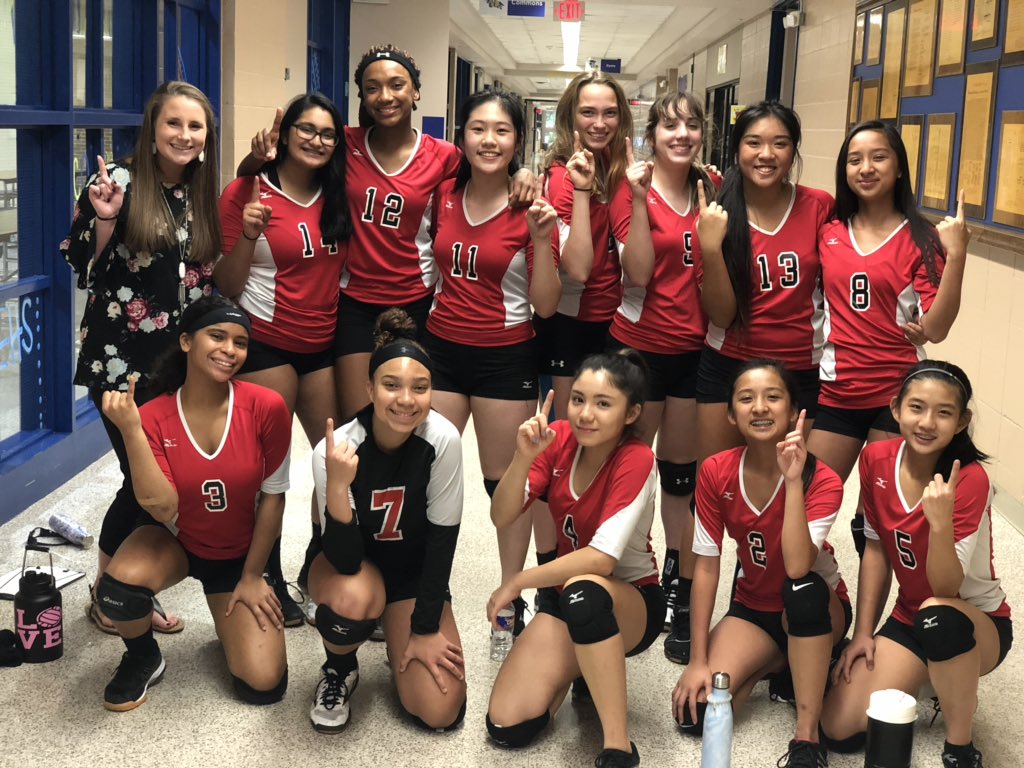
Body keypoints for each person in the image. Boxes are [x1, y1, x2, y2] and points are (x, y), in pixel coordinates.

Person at [240, 44, 534, 421]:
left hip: (417, 300)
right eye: (373, 87)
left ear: (415, 92)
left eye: (397, 85)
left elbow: (488, 168)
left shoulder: (443, 155)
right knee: (358, 419)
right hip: (355, 302)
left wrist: (523, 173)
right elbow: (270, 172)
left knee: (405, 417)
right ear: (362, 95)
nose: (386, 96)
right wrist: (257, 156)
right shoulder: (344, 144)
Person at [61, 80, 222, 636]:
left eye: (195, 125)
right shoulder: (119, 182)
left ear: (207, 136)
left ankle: (124, 588)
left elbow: (201, 280)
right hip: (120, 366)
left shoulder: (201, 191)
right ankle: (112, 593)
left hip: (175, 368)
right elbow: (80, 262)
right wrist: (105, 219)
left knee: (159, 477)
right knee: (142, 481)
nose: (184, 134)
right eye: (173, 123)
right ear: (153, 129)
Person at [95, 296, 291, 712]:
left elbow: (274, 497)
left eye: (240, 342)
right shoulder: (153, 414)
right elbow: (161, 507)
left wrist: (255, 576)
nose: (229, 350)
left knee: (263, 684)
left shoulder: (266, 407)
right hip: (177, 543)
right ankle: (142, 654)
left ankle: (230, 621)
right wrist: (131, 429)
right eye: (217, 336)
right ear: (186, 341)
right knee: (117, 589)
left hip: (238, 556)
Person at [422, 89, 561, 653]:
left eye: (501, 131)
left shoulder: (531, 207)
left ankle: (510, 597)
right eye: (478, 128)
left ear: (517, 142)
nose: (488, 140)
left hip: (507, 356)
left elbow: (547, 305)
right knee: (429, 474)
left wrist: (544, 242)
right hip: (442, 351)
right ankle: (429, 591)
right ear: (463, 137)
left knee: (505, 485)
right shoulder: (441, 196)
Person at [821, 361, 1011, 768]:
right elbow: (876, 550)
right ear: (895, 409)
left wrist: (940, 525)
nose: (927, 422)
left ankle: (960, 746)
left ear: (962, 422)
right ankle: (932, 676)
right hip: (910, 617)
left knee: (938, 617)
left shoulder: (971, 479)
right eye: (917, 407)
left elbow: (944, 587)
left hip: (976, 622)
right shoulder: (875, 459)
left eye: (944, 413)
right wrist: (863, 634)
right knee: (838, 727)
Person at [485, 350, 665, 768]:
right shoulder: (559, 437)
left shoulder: (637, 458)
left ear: (631, 413)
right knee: (507, 725)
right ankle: (581, 664)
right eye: (579, 399)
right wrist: (523, 458)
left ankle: (618, 746)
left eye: (604, 404)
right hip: (564, 597)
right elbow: (501, 515)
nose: (586, 414)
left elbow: (601, 560)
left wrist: (517, 581)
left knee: (586, 593)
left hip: (631, 601)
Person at [672, 360, 850, 768]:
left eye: (773, 397)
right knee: (694, 713)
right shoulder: (716, 471)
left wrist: (791, 481)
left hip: (815, 607)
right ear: (731, 415)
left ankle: (807, 735)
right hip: (753, 608)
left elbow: (797, 566)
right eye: (746, 399)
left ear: (792, 412)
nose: (760, 407)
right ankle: (781, 660)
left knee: (801, 592)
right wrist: (698, 660)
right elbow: (705, 566)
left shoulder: (822, 479)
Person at [217, 92, 351, 623]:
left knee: (332, 462)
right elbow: (227, 284)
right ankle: (266, 571)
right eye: (306, 129)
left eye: (327, 133)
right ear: (285, 133)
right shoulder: (247, 190)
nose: (316, 140)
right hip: (268, 341)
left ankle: (318, 563)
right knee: (270, 470)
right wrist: (249, 234)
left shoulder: (338, 194)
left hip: (324, 344)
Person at [807, 120, 969, 556]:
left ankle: (872, 622)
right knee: (806, 500)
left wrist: (957, 255)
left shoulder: (921, 237)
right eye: (855, 159)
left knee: (878, 518)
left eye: (879, 157)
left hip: (895, 398)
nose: (866, 168)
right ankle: (817, 591)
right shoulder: (829, 232)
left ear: (898, 168)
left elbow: (935, 328)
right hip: (838, 392)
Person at [307, 309, 466, 734]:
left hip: (410, 572)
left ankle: (393, 625)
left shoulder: (443, 439)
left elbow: (442, 541)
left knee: (439, 709)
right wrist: (339, 489)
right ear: (370, 389)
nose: (406, 400)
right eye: (391, 385)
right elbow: (342, 557)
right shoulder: (335, 449)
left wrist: (426, 627)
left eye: (420, 387)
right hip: (352, 569)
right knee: (355, 601)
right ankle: (339, 667)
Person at [609, 90, 717, 665]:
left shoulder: (713, 189)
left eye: (691, 125)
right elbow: (640, 273)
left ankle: (676, 583)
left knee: (680, 478)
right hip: (639, 350)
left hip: (697, 352)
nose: (681, 134)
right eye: (669, 125)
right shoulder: (630, 189)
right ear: (651, 134)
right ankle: (625, 569)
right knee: (629, 465)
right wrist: (640, 195)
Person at [693, 101, 833, 463]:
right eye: (753, 142)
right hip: (729, 364)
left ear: (794, 150)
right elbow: (721, 316)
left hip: (799, 368)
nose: (766, 154)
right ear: (737, 148)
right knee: (715, 482)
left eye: (780, 143)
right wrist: (710, 248)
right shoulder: (717, 210)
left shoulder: (819, 206)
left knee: (787, 488)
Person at [536, 71, 632, 419]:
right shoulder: (563, 175)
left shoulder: (618, 170)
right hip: (570, 324)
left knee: (602, 435)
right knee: (565, 435)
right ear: (570, 116)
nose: (599, 123)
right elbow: (577, 269)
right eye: (588, 112)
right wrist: (582, 190)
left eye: (610, 112)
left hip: (613, 321)